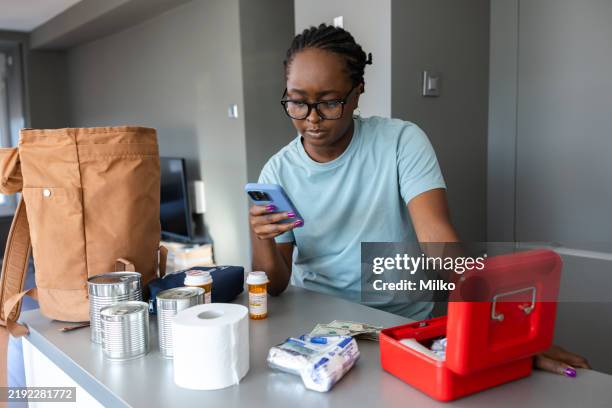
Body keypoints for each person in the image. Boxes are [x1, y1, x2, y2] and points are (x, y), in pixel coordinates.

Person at [248, 23, 590, 377]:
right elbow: (275, 285)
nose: (312, 119)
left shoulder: (401, 142)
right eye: (298, 103)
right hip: (319, 328)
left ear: (357, 92)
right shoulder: (277, 170)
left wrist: (500, 324)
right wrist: (260, 234)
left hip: (400, 323)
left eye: (330, 102)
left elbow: (436, 238)